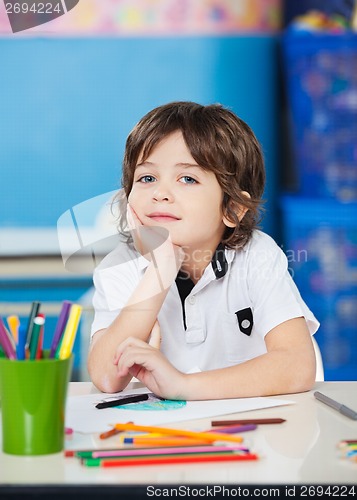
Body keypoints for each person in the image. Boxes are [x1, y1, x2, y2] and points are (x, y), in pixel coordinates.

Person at [87, 101, 319, 399]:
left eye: (187, 178)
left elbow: (297, 365)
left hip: (252, 431)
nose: (160, 193)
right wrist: (159, 272)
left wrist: (182, 386)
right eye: (147, 178)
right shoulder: (118, 266)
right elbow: (107, 377)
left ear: (233, 209)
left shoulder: (257, 255)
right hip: (163, 434)